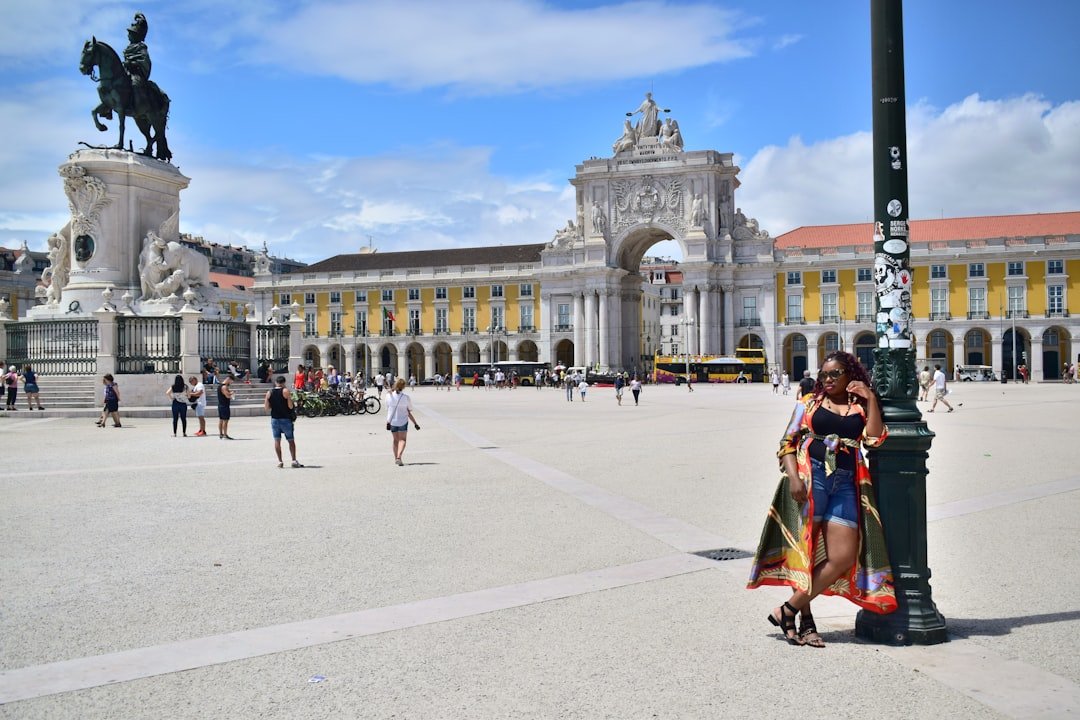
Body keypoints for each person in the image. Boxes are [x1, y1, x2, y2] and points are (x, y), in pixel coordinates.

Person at [748, 351, 896, 647]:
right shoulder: (809, 404)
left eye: (835, 374)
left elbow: (876, 438)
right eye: (824, 374)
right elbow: (787, 443)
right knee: (804, 550)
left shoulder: (860, 406)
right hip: (810, 478)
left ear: (849, 374)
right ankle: (806, 622)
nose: (827, 380)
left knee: (841, 556)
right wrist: (793, 478)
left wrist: (871, 398)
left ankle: (787, 609)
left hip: (846, 482)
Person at [265, 376, 301, 468]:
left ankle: (280, 461)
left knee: (277, 440)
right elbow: (290, 406)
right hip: (285, 419)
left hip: (274, 419)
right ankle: (293, 460)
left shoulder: (269, 392)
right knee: (291, 440)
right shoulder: (285, 391)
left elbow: (266, 408)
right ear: (284, 382)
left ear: (276, 382)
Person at [386, 377, 420, 466]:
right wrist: (415, 423)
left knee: (395, 440)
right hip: (403, 421)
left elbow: (388, 407)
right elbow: (409, 411)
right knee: (402, 440)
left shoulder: (388, 396)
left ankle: (396, 458)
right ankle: (399, 457)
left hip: (392, 421)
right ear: (403, 387)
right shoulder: (406, 398)